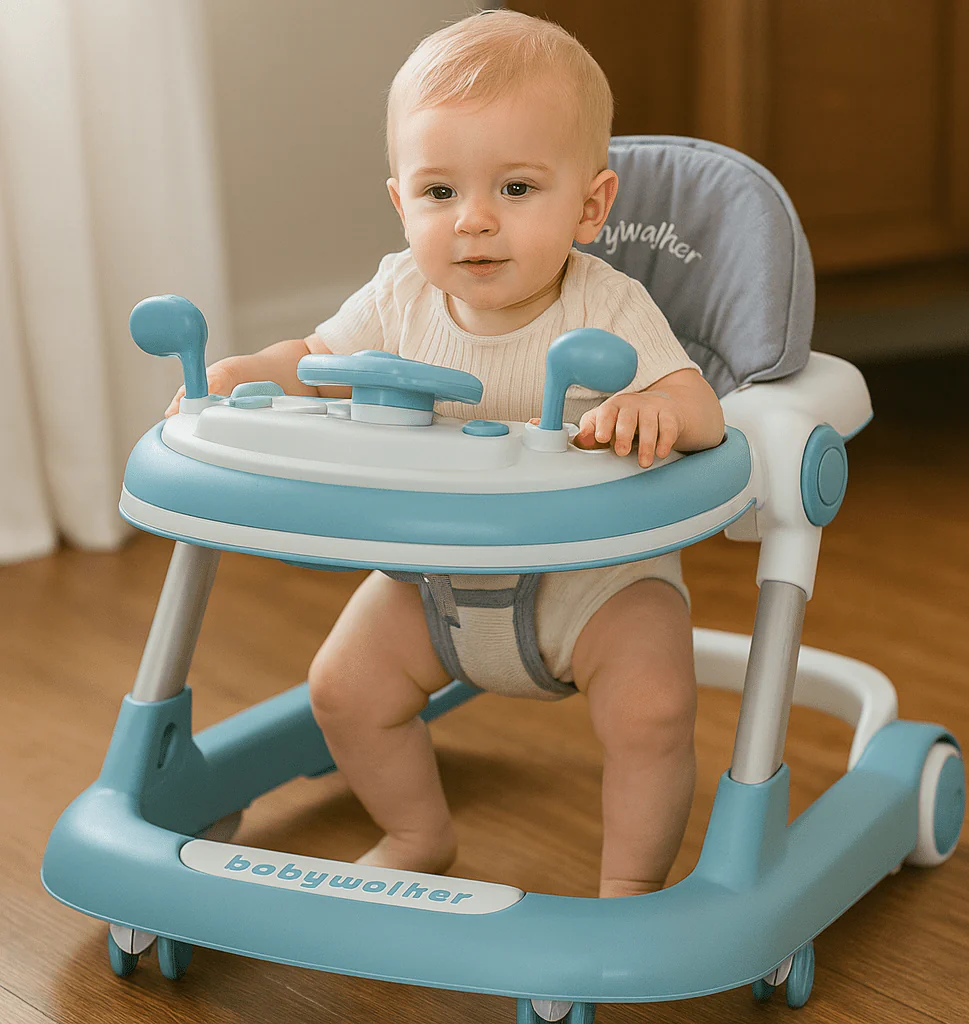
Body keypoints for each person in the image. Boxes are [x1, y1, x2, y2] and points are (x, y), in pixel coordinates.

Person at [166, 10, 724, 898]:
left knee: (653, 712)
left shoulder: (607, 305)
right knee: (342, 690)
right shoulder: (398, 295)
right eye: (439, 193)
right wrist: (245, 374)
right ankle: (417, 833)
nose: (474, 221)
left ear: (590, 207)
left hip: (600, 587)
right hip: (432, 580)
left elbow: (700, 408)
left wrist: (652, 408)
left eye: (516, 188)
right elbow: (314, 362)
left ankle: (629, 891)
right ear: (401, 204)